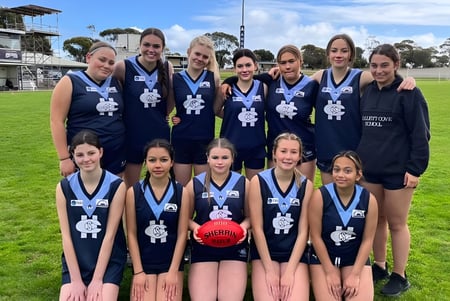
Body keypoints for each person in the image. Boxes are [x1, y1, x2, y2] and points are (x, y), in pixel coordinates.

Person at [357, 44, 430, 297]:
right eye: (374, 65)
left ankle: (400, 275)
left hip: (398, 172)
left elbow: (421, 135)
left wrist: (415, 169)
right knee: (377, 219)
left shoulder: (408, 93)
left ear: (396, 65)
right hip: (370, 169)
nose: (378, 70)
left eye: (384, 65)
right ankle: (380, 265)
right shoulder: (367, 92)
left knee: (397, 223)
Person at [311, 33, 416, 185]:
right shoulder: (320, 76)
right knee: (331, 202)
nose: (338, 55)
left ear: (351, 54)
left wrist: (408, 79)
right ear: (328, 54)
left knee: (357, 204)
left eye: (344, 51)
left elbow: (389, 79)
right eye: (334, 50)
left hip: (354, 152)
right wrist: (276, 72)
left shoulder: (362, 77)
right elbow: (296, 83)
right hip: (326, 149)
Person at [55, 130, 127, 301]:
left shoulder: (116, 185)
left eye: (91, 153)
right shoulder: (64, 187)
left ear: (100, 152)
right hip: (77, 261)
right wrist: (76, 280)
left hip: (108, 261)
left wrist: (97, 280)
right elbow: (66, 236)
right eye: (79, 154)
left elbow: (110, 236)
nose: (86, 159)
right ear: (72, 155)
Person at [249, 133, 313, 301]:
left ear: (299, 156)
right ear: (274, 154)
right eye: (283, 151)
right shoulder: (258, 181)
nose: (288, 157)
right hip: (265, 253)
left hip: (293, 254)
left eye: (293, 152)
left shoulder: (306, 185)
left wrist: (290, 272)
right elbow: (257, 228)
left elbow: (303, 232)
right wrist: (269, 270)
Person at [125, 139, 189, 301]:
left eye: (164, 160)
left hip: (171, 263)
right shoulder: (134, 192)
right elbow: (131, 234)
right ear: (145, 162)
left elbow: (182, 234)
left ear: (172, 162)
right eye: (152, 160)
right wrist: (138, 272)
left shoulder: (181, 192)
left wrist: (174, 271)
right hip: (144, 263)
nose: (158, 165)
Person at [186, 138, 250, 301]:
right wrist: (196, 228)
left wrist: (243, 227)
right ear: (207, 158)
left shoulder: (243, 182)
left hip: (234, 246)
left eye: (225, 158)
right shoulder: (195, 183)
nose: (220, 162)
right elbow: (184, 218)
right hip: (204, 246)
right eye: (215, 158)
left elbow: (252, 217)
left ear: (233, 159)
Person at [309, 150, 378, 301]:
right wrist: (329, 271)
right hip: (324, 258)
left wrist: (355, 274)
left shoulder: (368, 200)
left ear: (358, 175)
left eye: (348, 171)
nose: (340, 175)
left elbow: (368, 240)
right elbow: (315, 236)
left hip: (353, 258)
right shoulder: (320, 196)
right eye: (336, 169)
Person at [51, 41, 126, 177]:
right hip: (85, 155)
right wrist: (64, 158)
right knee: (84, 196)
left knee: (114, 195)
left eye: (111, 63)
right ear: (88, 57)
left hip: (116, 151)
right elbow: (56, 121)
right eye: (102, 60)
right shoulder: (70, 81)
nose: (106, 65)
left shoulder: (116, 82)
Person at [113, 27, 174, 187]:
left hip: (159, 133)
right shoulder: (123, 67)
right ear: (139, 45)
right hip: (132, 134)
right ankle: (131, 213)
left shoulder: (167, 67)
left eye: (156, 46)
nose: (151, 50)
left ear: (162, 48)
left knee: (160, 184)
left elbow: (171, 99)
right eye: (147, 45)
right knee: (131, 187)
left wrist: (162, 115)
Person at [171, 35, 222, 186]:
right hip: (181, 140)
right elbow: (166, 107)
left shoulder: (214, 78)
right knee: (181, 190)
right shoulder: (175, 78)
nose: (200, 59)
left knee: (203, 191)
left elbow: (216, 108)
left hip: (204, 140)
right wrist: (173, 117)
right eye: (197, 54)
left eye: (205, 56)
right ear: (188, 52)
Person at [215, 48, 267, 180]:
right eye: (240, 66)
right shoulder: (226, 89)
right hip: (230, 147)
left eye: (248, 65)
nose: (244, 69)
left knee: (255, 190)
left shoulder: (264, 87)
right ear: (234, 68)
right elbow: (215, 110)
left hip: (256, 147)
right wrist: (234, 117)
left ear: (255, 66)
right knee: (232, 191)